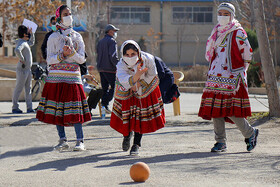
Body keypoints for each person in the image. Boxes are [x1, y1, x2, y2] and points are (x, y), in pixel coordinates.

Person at [198, 2, 259, 152]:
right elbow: (211, 53)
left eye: (226, 14)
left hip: (232, 76)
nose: (223, 17)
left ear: (232, 16)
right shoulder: (216, 32)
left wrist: (240, 72)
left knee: (230, 109)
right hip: (215, 74)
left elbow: (247, 54)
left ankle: (250, 133)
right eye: (221, 14)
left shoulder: (238, 32)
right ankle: (220, 142)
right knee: (215, 109)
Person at [36, 5, 91, 151]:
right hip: (56, 77)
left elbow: (81, 60)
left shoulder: (77, 36)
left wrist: (71, 53)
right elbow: (49, 59)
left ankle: (80, 140)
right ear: (59, 17)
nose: (68, 16)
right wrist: (62, 55)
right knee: (58, 108)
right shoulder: (53, 37)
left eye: (70, 14)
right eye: (65, 14)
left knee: (75, 108)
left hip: (73, 76)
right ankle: (62, 139)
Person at [110, 40, 166, 156]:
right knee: (128, 114)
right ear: (123, 55)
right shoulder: (121, 65)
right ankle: (126, 135)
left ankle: (136, 144)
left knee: (140, 115)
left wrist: (140, 83)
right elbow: (124, 79)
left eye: (133, 54)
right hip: (126, 89)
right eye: (127, 55)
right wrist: (134, 81)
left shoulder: (148, 59)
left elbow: (152, 75)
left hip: (144, 87)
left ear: (138, 52)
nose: (130, 57)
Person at [96, 24, 119, 113]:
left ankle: (104, 106)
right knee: (114, 87)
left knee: (104, 88)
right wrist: (117, 65)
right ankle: (105, 103)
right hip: (110, 68)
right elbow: (113, 55)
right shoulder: (112, 41)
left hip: (101, 68)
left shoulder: (100, 42)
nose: (115, 33)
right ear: (110, 31)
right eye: (114, 31)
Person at [12, 25, 35, 113]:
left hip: (27, 69)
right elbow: (17, 50)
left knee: (28, 89)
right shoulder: (21, 43)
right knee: (19, 88)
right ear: (24, 34)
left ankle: (29, 108)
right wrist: (23, 60)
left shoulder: (25, 42)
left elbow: (32, 42)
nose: (28, 35)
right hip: (22, 69)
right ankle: (15, 107)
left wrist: (32, 33)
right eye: (27, 33)